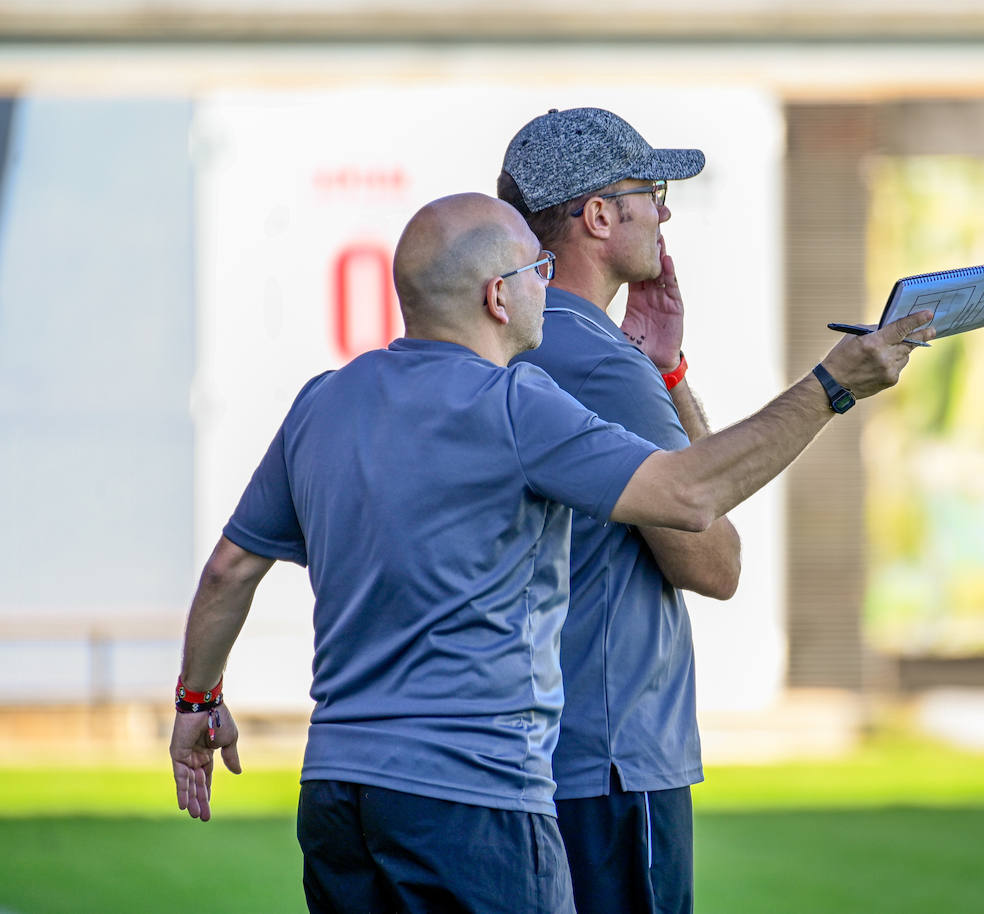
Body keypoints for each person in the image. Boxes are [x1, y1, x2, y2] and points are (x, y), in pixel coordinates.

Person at [169, 191, 933, 914]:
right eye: (538, 272)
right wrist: (834, 386)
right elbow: (689, 497)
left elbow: (229, 569)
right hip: (478, 799)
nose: (551, 287)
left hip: (338, 796)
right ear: (498, 298)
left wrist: (197, 703)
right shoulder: (512, 405)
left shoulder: (321, 402)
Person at [495, 106, 731, 913]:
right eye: (650, 191)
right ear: (598, 216)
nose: (664, 212)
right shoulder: (598, 359)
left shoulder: (505, 340)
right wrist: (658, 377)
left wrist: (659, 364)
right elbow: (713, 559)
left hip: (522, 761)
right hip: (614, 763)